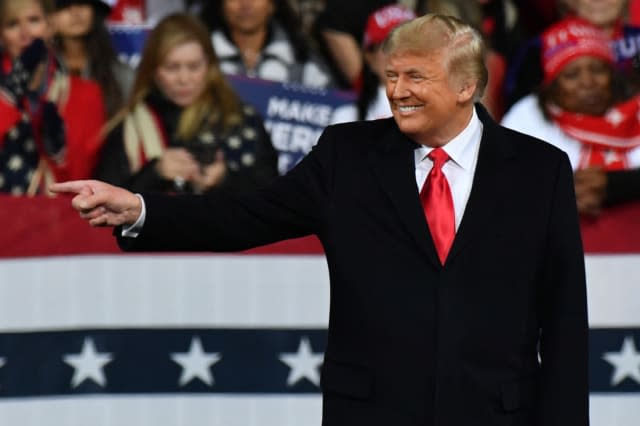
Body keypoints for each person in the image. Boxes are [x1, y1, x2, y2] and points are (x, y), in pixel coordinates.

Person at [52, 14, 588, 426]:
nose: (397, 91)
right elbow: (245, 216)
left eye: (416, 78)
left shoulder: (539, 172)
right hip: (372, 414)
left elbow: (563, 320)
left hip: (496, 416)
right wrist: (143, 209)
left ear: (466, 86)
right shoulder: (347, 157)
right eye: (391, 76)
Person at [94, 13, 278, 194]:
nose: (184, 79)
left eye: (194, 66)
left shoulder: (241, 120)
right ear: (153, 70)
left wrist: (226, 180)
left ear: (210, 66)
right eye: (172, 67)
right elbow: (104, 202)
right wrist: (154, 174)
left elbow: (274, 198)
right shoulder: (129, 127)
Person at [502, 16, 640, 216]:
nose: (588, 82)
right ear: (552, 86)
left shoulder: (635, 108)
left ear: (613, 75)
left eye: (598, 70)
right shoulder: (527, 116)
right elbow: (507, 182)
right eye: (572, 75)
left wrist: (616, 186)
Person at [0, 0, 106, 195]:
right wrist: (9, 94)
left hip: (58, 216)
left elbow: (83, 180)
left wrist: (57, 153)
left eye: (33, 20)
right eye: (12, 24)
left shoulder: (86, 93)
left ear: (51, 26)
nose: (26, 34)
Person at [199, 0, 333, 88]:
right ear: (220, 5)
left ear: (272, 5)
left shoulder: (301, 57)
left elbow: (331, 105)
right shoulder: (199, 55)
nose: (246, 4)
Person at [51, 0, 134, 118]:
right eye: (63, 6)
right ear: (48, 18)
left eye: (82, 3)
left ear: (95, 11)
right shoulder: (41, 71)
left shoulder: (121, 73)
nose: (75, 12)